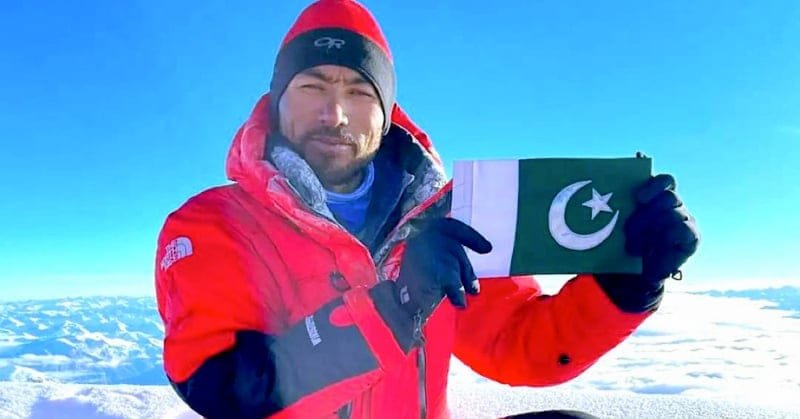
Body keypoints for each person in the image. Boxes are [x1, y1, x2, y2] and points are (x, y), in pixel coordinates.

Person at [154, 1, 699, 418]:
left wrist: (626, 285)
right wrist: (399, 301)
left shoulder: (446, 219)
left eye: (360, 93)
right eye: (311, 86)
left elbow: (521, 345)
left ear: (387, 114)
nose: (336, 114)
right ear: (277, 102)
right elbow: (226, 388)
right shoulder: (212, 225)